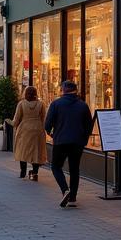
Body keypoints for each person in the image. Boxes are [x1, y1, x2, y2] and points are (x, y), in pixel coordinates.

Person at [44, 80, 94, 208]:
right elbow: (89, 125)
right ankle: (72, 198)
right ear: (75, 90)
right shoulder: (83, 105)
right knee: (74, 169)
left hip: (60, 141)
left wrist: (52, 135)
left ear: (63, 90)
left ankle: (65, 189)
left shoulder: (56, 104)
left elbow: (47, 124)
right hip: (77, 142)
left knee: (56, 166)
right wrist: (84, 139)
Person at [12, 85, 47, 181]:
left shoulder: (21, 104)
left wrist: (11, 123)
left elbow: (16, 119)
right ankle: (35, 173)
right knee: (36, 151)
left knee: (23, 150)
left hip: (24, 129)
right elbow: (44, 118)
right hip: (37, 129)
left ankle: (22, 173)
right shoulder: (41, 104)